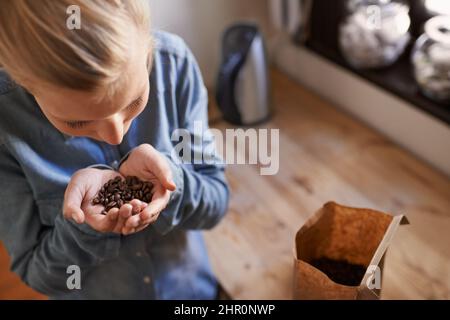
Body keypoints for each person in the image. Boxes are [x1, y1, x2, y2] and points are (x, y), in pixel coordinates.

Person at [0, 0, 229, 299]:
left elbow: (217, 201)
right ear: (25, 83)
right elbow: (38, 274)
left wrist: (173, 182)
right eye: (77, 122)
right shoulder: (6, 123)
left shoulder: (175, 65)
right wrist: (83, 229)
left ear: (147, 47)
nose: (114, 135)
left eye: (134, 101)